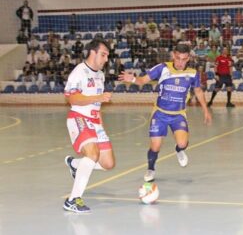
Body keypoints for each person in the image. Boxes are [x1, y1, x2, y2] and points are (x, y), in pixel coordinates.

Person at [118, 44, 212, 182]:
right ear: (174, 55)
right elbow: (143, 80)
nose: (180, 62)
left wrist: (206, 110)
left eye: (184, 59)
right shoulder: (162, 68)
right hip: (160, 113)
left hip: (178, 114)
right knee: (155, 146)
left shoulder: (193, 73)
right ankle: (150, 169)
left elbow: (198, 91)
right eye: (178, 58)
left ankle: (179, 150)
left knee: (182, 143)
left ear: (189, 58)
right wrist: (132, 79)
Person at [63, 38, 115, 213]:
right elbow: (72, 98)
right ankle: (72, 200)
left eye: (107, 55)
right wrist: (97, 98)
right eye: (103, 54)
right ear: (92, 52)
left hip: (94, 122)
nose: (106, 59)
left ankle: (75, 165)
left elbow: (97, 106)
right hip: (79, 117)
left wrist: (101, 127)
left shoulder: (100, 74)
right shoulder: (79, 72)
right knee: (92, 154)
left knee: (108, 163)